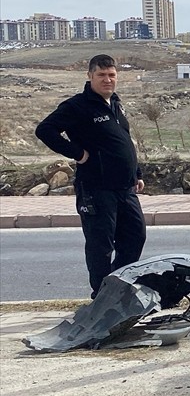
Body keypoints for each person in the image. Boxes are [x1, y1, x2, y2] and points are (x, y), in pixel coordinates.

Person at [36, 54, 146, 298]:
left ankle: (118, 288)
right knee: (101, 247)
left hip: (125, 188)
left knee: (135, 237)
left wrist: (136, 172)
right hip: (96, 189)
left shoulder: (115, 104)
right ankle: (102, 297)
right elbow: (44, 130)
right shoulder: (78, 106)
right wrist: (78, 154)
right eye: (101, 75)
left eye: (111, 75)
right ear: (90, 76)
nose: (107, 80)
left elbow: (123, 141)